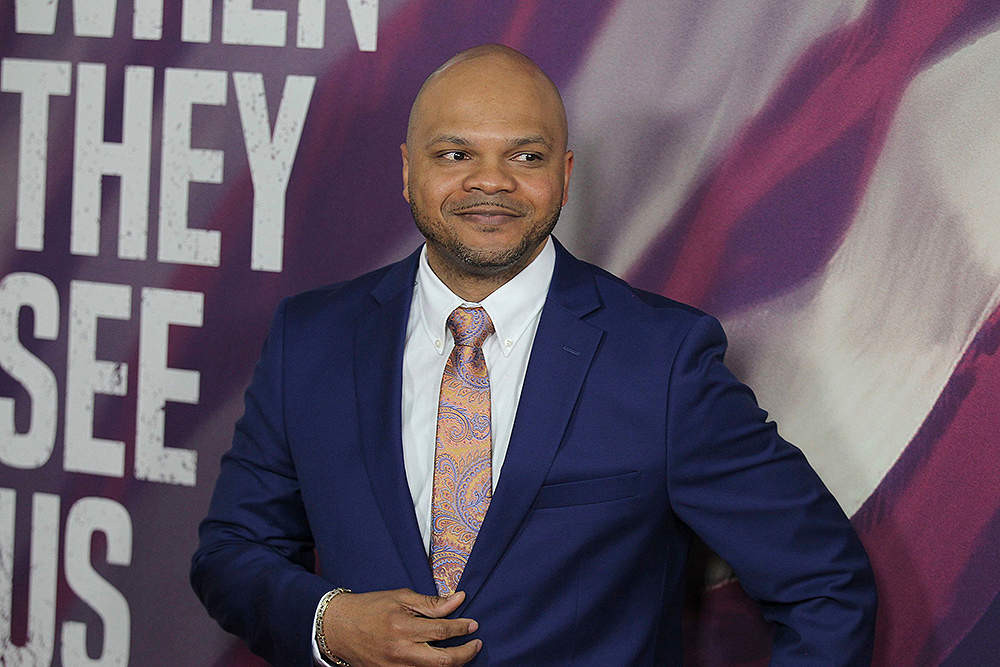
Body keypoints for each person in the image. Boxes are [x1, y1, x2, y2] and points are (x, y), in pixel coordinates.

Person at [191, 44, 877, 666]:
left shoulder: (662, 360)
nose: (490, 182)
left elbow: (824, 583)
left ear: (566, 172)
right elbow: (232, 552)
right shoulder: (311, 338)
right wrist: (330, 622)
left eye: (526, 155)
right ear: (407, 170)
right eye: (455, 154)